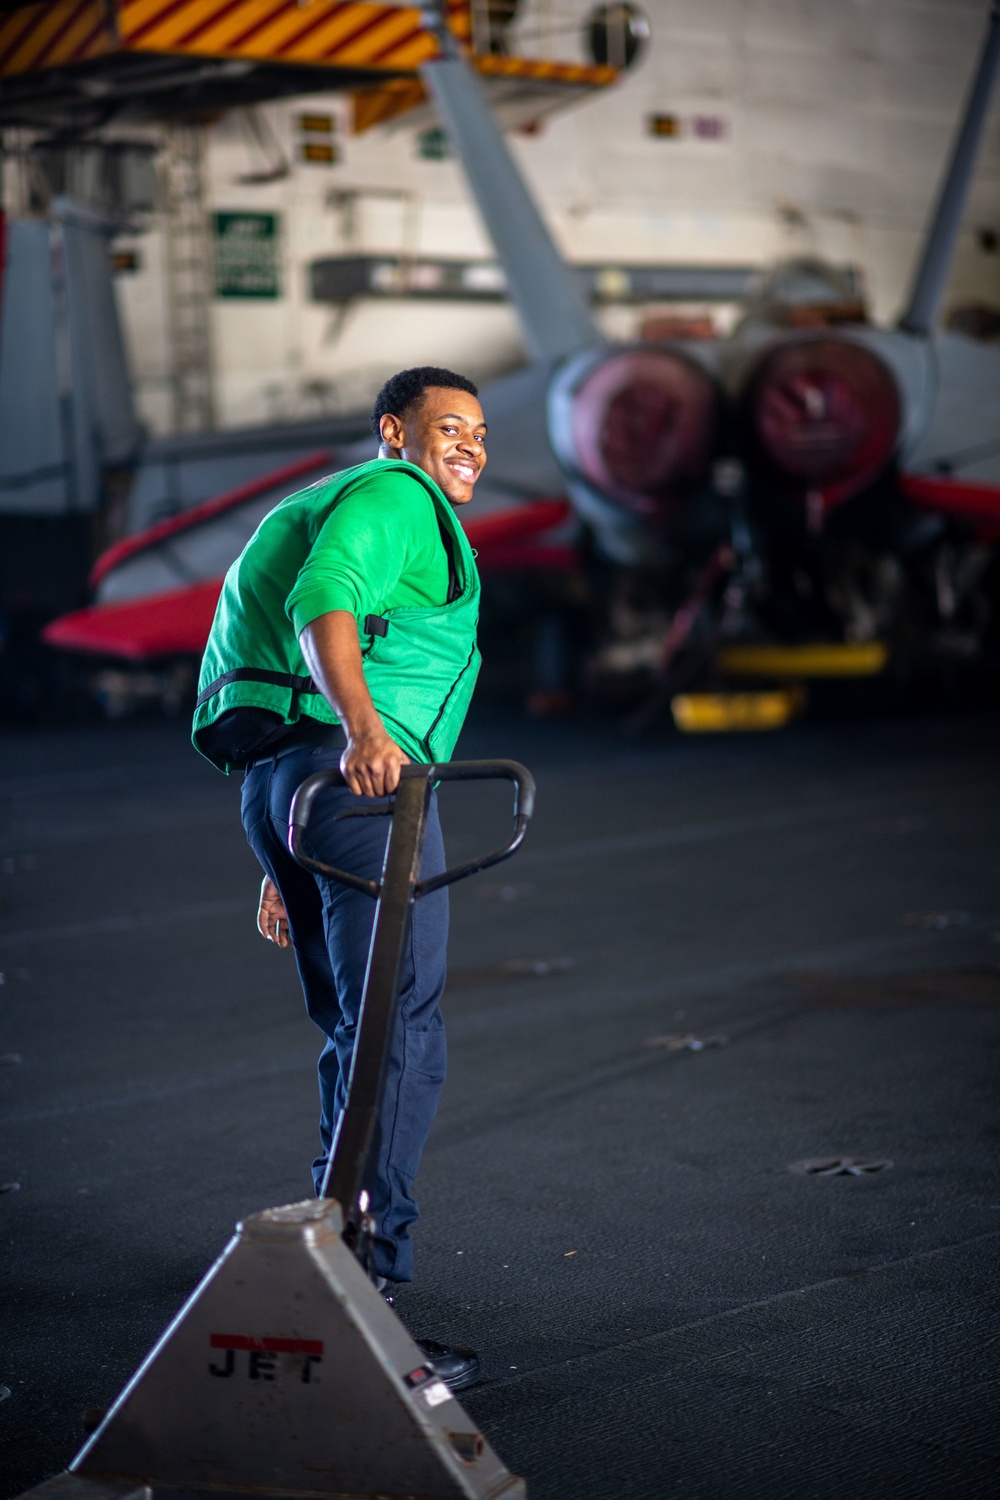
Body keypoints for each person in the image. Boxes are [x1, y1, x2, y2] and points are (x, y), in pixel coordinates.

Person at [192, 367, 488, 1391]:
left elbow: (286, 648)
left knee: (355, 1032)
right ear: (393, 434)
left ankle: (329, 1247)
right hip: (362, 784)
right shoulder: (393, 496)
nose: (470, 446)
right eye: (448, 427)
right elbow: (327, 596)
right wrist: (365, 729)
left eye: (479, 432)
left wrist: (283, 857)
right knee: (398, 1030)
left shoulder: (321, 499)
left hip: (291, 791)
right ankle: (367, 1290)